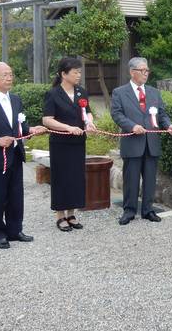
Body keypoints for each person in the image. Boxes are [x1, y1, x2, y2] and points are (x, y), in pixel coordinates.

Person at [0, 61, 47, 249]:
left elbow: (19, 127)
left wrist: (32, 129)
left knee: (16, 194)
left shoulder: (16, 100)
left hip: (15, 154)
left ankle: (15, 230)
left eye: (11, 74)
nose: (9, 78)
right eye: (5, 74)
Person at [110, 57, 172, 225]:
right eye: (142, 70)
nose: (146, 74)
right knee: (131, 179)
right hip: (132, 142)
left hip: (151, 142)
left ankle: (148, 210)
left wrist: (169, 125)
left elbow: (161, 114)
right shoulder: (119, 92)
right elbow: (117, 114)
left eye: (147, 70)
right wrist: (132, 126)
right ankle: (129, 210)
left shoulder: (154, 92)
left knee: (150, 179)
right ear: (132, 72)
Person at [42, 57, 96, 232]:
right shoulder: (53, 94)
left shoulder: (81, 92)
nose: (79, 75)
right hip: (60, 143)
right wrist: (68, 128)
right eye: (75, 72)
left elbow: (87, 112)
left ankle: (71, 213)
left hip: (78, 142)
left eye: (79, 72)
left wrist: (89, 123)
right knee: (61, 178)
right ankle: (60, 215)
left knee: (76, 178)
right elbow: (47, 120)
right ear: (63, 74)